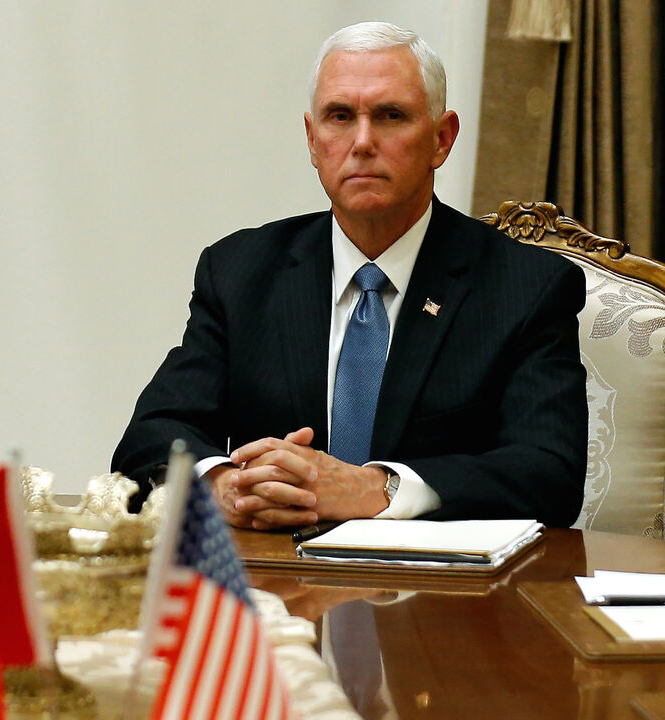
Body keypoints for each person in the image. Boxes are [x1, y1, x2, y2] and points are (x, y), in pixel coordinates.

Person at [112, 21, 586, 529]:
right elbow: (150, 438)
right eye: (340, 116)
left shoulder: (526, 286)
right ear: (313, 141)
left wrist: (380, 490)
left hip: (436, 595)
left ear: (441, 139)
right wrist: (223, 486)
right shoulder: (240, 271)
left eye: (390, 116)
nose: (362, 142)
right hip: (274, 590)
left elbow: (549, 472)